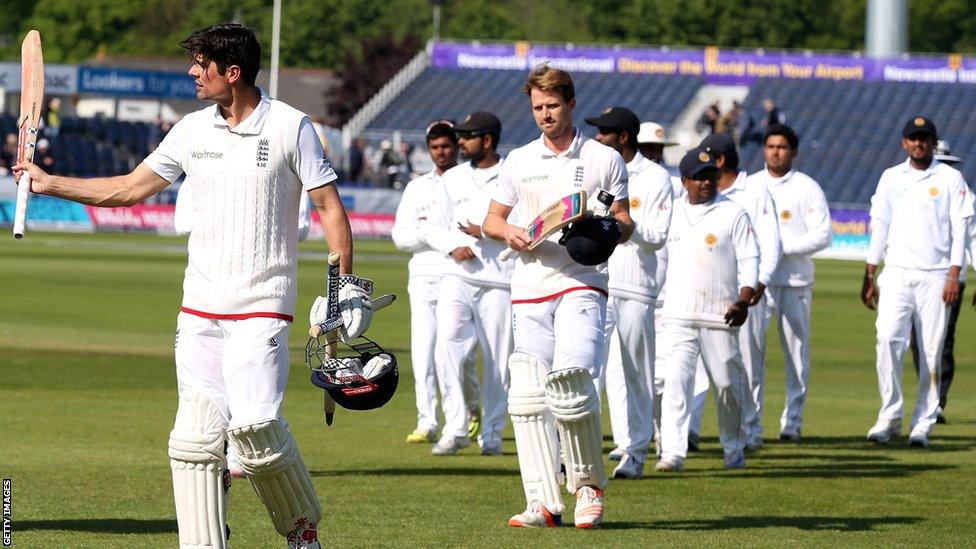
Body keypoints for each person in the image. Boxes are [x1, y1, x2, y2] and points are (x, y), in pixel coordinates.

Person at [15, 24, 375, 549]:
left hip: (261, 307)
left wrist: (343, 292)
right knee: (195, 443)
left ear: (233, 72)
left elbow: (329, 210)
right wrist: (52, 183)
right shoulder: (191, 130)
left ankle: (302, 531)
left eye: (201, 64)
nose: (191, 72)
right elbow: (129, 188)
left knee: (256, 436)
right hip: (199, 311)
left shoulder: (291, 126)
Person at [483, 64, 633, 529]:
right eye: (537, 108)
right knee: (528, 395)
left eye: (552, 105)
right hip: (529, 285)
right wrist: (509, 232)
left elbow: (625, 221)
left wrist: (605, 228)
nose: (545, 115)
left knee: (571, 383)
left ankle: (588, 487)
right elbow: (492, 220)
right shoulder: (520, 160)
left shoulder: (605, 160)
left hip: (581, 281)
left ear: (570, 102)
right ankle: (543, 502)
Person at [861, 116, 973, 448]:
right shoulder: (891, 177)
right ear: (904, 142)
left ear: (933, 143)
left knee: (932, 350)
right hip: (896, 271)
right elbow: (879, 225)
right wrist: (869, 273)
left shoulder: (951, 178)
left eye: (924, 139)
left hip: (936, 274)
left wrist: (954, 274)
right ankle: (889, 415)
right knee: (887, 340)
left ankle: (923, 421)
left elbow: (962, 229)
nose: (918, 143)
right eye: (913, 138)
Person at [655, 148, 757, 473]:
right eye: (699, 178)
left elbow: (750, 259)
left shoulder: (734, 213)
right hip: (679, 314)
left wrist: (743, 299)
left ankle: (734, 446)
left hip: (721, 314)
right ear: (684, 181)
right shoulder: (670, 212)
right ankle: (672, 452)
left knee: (727, 384)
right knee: (676, 383)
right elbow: (658, 261)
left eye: (711, 176)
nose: (706, 183)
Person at [586, 107, 672, 479]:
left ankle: (636, 451)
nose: (597, 138)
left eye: (604, 132)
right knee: (589, 370)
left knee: (637, 372)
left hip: (637, 286)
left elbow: (657, 236)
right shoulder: (596, 170)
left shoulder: (656, 178)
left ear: (623, 137)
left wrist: (626, 226)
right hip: (597, 280)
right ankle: (585, 451)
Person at [425, 112, 514, 456]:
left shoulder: (512, 173)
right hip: (457, 276)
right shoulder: (454, 178)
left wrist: (488, 231)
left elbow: (525, 226)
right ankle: (456, 426)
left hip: (499, 280)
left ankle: (491, 433)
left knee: (497, 360)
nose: (460, 142)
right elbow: (433, 226)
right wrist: (452, 245)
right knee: (446, 345)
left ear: (487, 140)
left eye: (467, 136)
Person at [686, 133, 779, 449]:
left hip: (744, 293)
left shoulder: (754, 190)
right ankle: (690, 429)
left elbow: (770, 242)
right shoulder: (703, 194)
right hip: (705, 291)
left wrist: (757, 284)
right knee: (697, 364)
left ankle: (750, 431)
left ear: (720, 160)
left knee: (747, 366)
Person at [391, 119, 478, 445]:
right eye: (435, 147)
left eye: (446, 146)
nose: (441, 152)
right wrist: (434, 237)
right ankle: (427, 420)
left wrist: (437, 236)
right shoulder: (417, 187)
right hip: (423, 277)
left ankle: (470, 409)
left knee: (458, 354)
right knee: (423, 353)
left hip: (458, 276)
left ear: (456, 146)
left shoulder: (468, 181)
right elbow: (400, 236)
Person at [746, 124, 831, 442]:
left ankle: (792, 420)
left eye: (781, 146)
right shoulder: (750, 186)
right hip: (756, 286)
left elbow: (823, 234)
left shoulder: (807, 187)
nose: (775, 152)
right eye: (770, 146)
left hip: (794, 281)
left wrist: (780, 248)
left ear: (793, 151)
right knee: (752, 355)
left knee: (796, 354)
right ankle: (752, 422)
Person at [908, 140, 964, 424]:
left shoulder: (963, 193)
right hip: (918, 275)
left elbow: (972, 239)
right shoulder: (915, 191)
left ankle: (937, 400)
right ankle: (927, 393)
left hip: (952, 279)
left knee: (943, 340)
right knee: (917, 342)